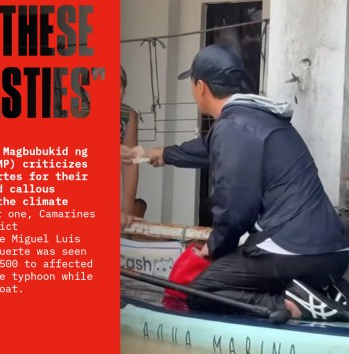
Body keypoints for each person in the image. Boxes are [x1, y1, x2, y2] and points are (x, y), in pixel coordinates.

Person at [132, 43, 349, 321]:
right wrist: (162, 154)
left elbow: (235, 211)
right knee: (237, 267)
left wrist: (215, 247)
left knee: (199, 292)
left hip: (295, 249)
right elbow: (207, 147)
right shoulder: (258, 117)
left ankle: (291, 305)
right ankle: (330, 293)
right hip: (333, 252)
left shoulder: (232, 127)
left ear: (200, 86)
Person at [120, 66, 139, 228]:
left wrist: (127, 211)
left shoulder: (127, 115)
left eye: (119, 86)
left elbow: (130, 161)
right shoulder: (79, 112)